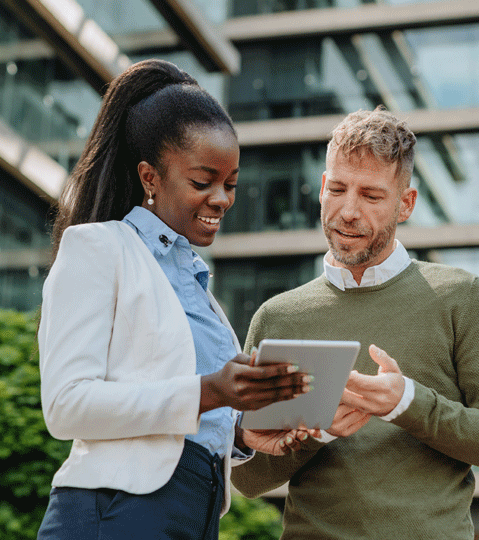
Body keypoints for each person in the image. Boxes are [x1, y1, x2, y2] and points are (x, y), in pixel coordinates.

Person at [36, 59, 313, 540]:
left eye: (230, 184)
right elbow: (65, 405)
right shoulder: (99, 248)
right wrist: (211, 391)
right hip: (117, 513)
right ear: (150, 177)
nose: (222, 199)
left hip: (193, 514)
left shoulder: (199, 290)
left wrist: (243, 435)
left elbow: (187, 420)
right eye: (202, 182)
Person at [230, 106, 479, 539]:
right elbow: (248, 478)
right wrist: (318, 431)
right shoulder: (277, 317)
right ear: (321, 189)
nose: (348, 211)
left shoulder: (461, 297)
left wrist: (406, 402)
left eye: (371, 196)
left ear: (405, 203)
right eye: (337, 189)